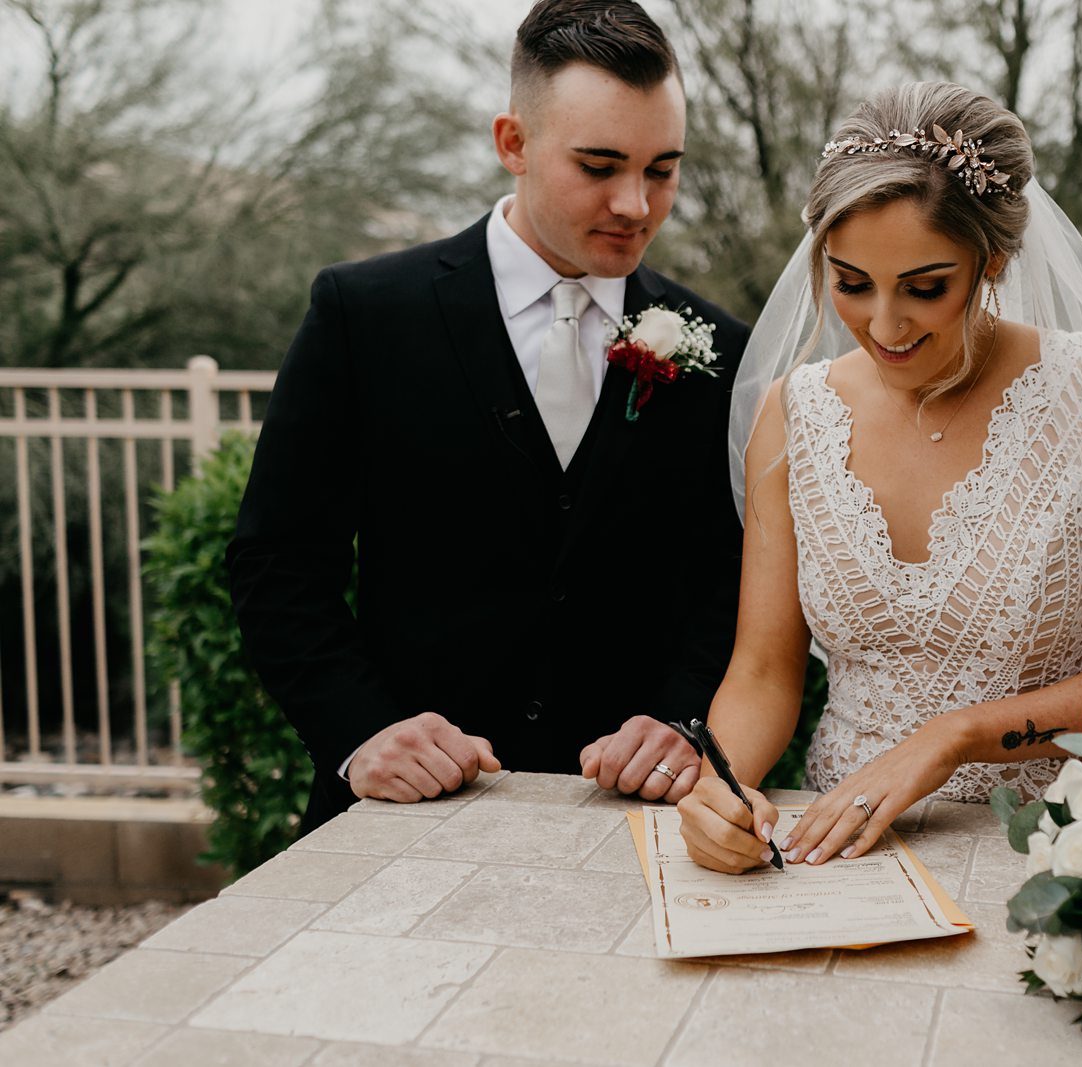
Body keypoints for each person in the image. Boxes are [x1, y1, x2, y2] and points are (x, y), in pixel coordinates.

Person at [228, 0, 747, 835]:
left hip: (634, 815)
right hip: (403, 811)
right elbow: (277, 562)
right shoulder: (363, 314)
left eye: (663, 168)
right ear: (513, 143)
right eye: (600, 164)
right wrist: (361, 732)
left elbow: (730, 578)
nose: (636, 204)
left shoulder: (719, 347)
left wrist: (684, 717)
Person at [678, 82, 1082, 874]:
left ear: (992, 260)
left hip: (1056, 850)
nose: (885, 326)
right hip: (848, 851)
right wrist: (721, 785)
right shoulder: (793, 413)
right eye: (852, 283)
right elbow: (762, 670)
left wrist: (955, 735)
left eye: (925, 287)